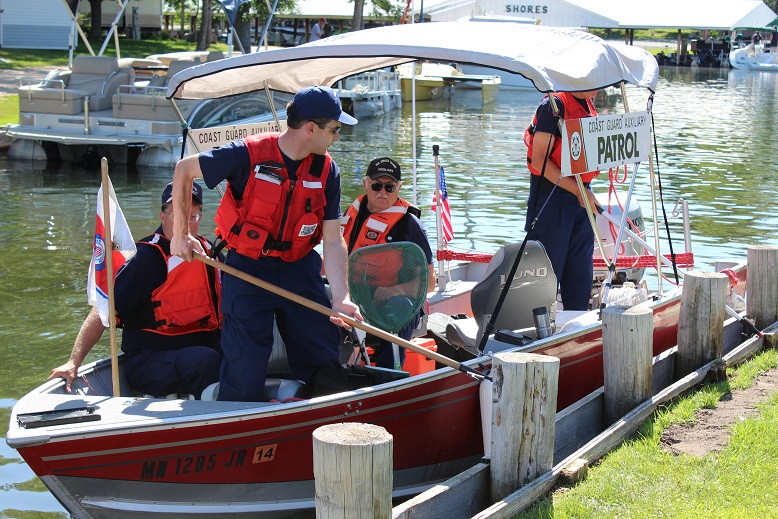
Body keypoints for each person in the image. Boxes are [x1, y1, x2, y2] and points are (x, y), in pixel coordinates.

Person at [170, 85, 362, 402]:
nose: (337, 137)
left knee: (321, 359)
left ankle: (321, 425)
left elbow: (332, 237)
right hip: (248, 268)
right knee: (244, 368)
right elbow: (184, 170)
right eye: (335, 129)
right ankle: (239, 428)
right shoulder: (246, 153)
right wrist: (181, 234)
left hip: (300, 269)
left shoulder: (328, 171)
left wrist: (341, 297)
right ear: (311, 129)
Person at [49, 182, 223, 398]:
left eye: (192, 217)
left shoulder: (210, 255)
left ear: (200, 218)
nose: (184, 225)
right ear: (163, 216)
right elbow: (105, 309)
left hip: (203, 347)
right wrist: (73, 362)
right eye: (177, 216)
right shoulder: (148, 259)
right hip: (151, 360)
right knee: (205, 361)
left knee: (243, 352)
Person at [340, 157, 436, 369]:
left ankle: (388, 373)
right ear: (366, 184)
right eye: (376, 185)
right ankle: (332, 374)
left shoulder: (410, 225)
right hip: (353, 297)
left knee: (398, 307)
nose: (382, 191)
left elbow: (430, 283)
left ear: (399, 188)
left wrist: (396, 289)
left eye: (390, 187)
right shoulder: (351, 214)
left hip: (396, 303)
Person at [523, 91, 601, 311]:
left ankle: (576, 323)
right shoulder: (553, 106)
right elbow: (539, 161)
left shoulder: (587, 104)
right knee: (547, 270)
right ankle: (536, 328)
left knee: (580, 269)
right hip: (552, 196)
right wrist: (578, 191)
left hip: (582, 194)